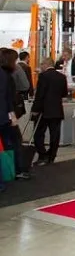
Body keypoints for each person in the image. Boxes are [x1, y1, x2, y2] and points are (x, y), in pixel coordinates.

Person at [31, 58, 68, 165]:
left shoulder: (43, 76)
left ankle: (42, 155)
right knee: (55, 135)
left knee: (38, 134)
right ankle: (51, 156)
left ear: (46, 64)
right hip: (57, 109)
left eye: (41, 64)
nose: (41, 66)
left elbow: (40, 94)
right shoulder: (62, 77)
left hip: (43, 110)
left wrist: (35, 109)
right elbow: (64, 93)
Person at [0, 48, 29, 180]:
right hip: (5, 115)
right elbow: (7, 98)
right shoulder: (8, 75)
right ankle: (15, 169)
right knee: (13, 142)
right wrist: (12, 116)